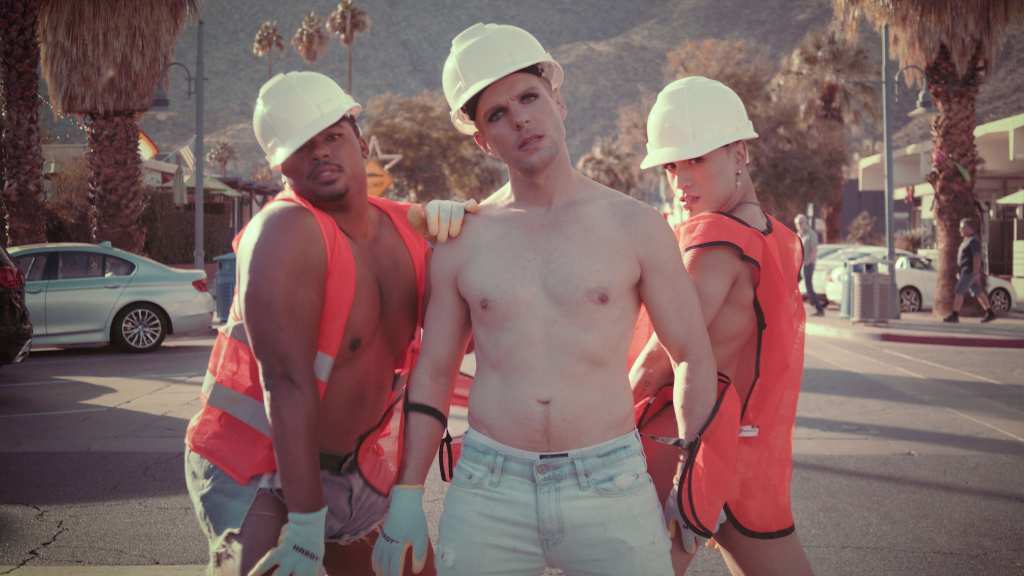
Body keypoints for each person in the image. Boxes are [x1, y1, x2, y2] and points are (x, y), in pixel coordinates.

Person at [371, 23, 717, 576]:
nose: (520, 119)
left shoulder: (635, 225)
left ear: (558, 101)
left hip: (610, 483)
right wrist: (408, 494)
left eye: (529, 98)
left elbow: (691, 356)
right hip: (490, 488)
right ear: (482, 140)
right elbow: (433, 372)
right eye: (497, 114)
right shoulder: (463, 238)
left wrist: (694, 475)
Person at [183, 70, 475, 576]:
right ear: (280, 165)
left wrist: (467, 232)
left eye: (332, 137)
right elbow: (287, 383)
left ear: (360, 142)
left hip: (357, 466)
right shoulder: (284, 232)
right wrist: (304, 525)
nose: (319, 152)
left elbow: (462, 338)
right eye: (301, 146)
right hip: (259, 465)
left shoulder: (408, 231)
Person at [629, 76, 814, 575]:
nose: (681, 181)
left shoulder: (714, 238)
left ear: (739, 154)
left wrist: (594, 434)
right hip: (730, 451)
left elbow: (653, 363)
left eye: (696, 159)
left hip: (689, 449)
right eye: (671, 166)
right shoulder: (777, 237)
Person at [943, 217, 996, 323]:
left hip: (969, 271)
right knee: (978, 291)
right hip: (965, 271)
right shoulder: (966, 240)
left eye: (962, 227)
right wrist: (960, 271)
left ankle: (955, 315)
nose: (960, 229)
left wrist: (975, 273)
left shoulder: (973, 241)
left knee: (959, 290)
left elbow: (977, 257)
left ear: (968, 228)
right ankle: (990, 312)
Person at [795, 214, 825, 316]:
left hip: (808, 265)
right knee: (792, 286)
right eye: (797, 224)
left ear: (805, 222)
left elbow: (814, 251)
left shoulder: (811, 234)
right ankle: (793, 309)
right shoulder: (799, 234)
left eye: (800, 223)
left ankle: (819, 309)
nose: (799, 225)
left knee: (809, 288)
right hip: (799, 265)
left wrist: (808, 262)